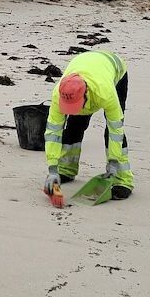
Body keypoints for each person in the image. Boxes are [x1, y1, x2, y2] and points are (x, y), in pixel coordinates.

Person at [42, 50, 133, 200]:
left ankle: (124, 180)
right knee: (74, 125)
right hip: (85, 65)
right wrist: (52, 170)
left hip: (115, 71)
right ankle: (66, 169)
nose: (74, 109)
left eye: (76, 105)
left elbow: (115, 129)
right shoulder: (58, 95)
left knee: (109, 132)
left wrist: (113, 162)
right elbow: (53, 132)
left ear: (86, 94)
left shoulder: (105, 92)